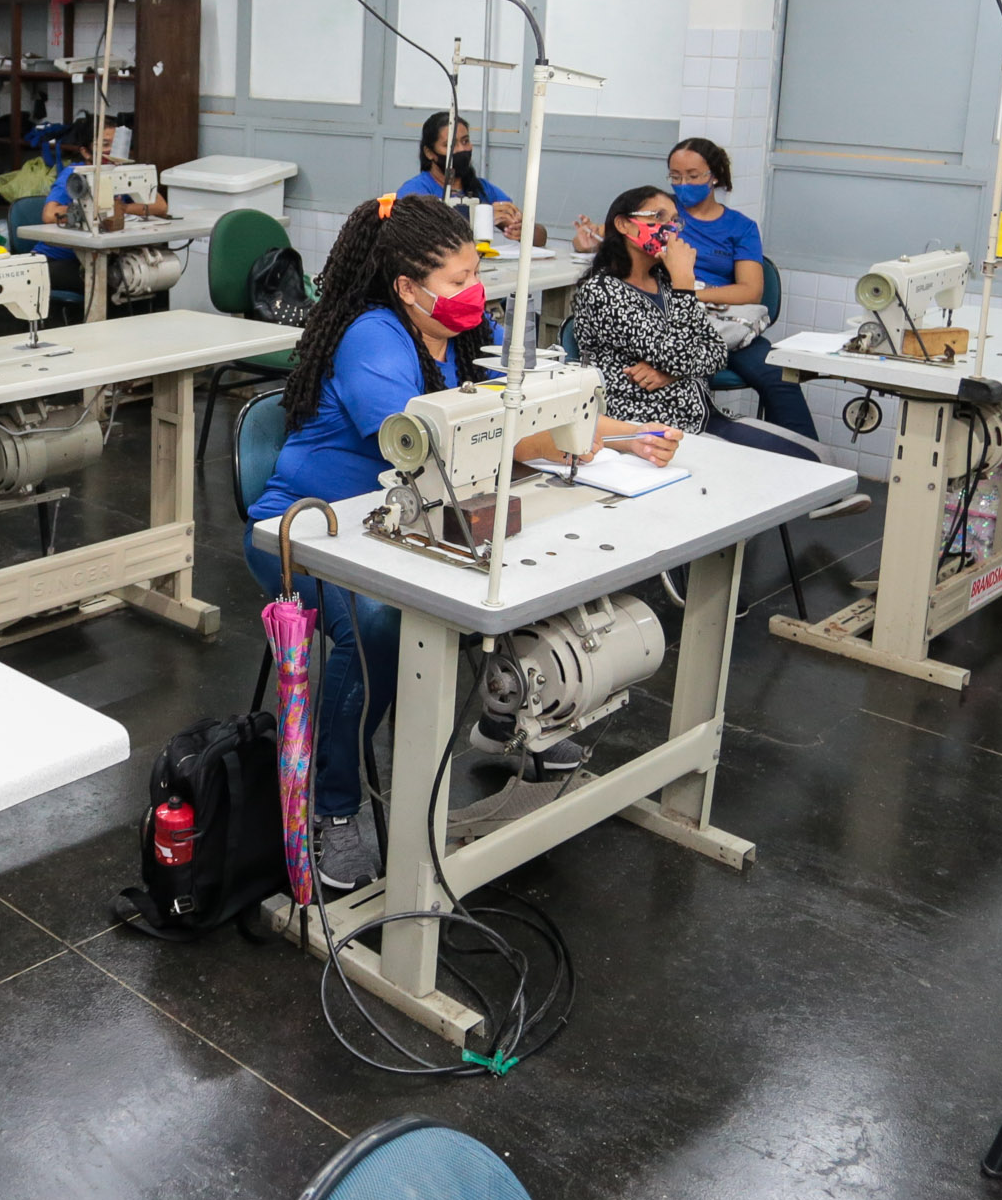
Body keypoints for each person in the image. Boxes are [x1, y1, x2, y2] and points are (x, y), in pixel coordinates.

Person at [245, 194, 680, 890]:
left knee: (531, 563)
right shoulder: (374, 337)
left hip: (406, 518)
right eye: (454, 283)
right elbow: (432, 445)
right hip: (310, 527)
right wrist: (566, 442)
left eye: (472, 274)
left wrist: (625, 435)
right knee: (380, 628)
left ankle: (504, 721)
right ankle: (332, 811)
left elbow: (511, 419)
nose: (472, 292)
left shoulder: (450, 340)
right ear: (407, 289)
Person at [571, 138, 818, 441]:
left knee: (780, 383)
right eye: (676, 177)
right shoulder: (607, 291)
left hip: (710, 331)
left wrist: (683, 295)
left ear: (714, 176)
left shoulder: (737, 228)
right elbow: (605, 234)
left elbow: (716, 349)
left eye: (692, 175)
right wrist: (683, 290)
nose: (672, 227)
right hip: (658, 419)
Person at [35, 118, 172, 314]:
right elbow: (49, 214)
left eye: (115, 144)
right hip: (57, 260)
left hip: (99, 257)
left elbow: (160, 206)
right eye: (105, 144)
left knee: (147, 281)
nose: (111, 151)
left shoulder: (121, 174)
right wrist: (89, 209)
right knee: (115, 282)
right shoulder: (74, 175)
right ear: (85, 151)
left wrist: (122, 209)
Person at [398, 112, 535, 248]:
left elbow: (540, 237)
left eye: (465, 141)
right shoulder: (416, 191)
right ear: (429, 153)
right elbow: (416, 239)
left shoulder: (483, 189)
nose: (461, 149)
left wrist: (523, 230)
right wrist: (482, 219)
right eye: (450, 145)